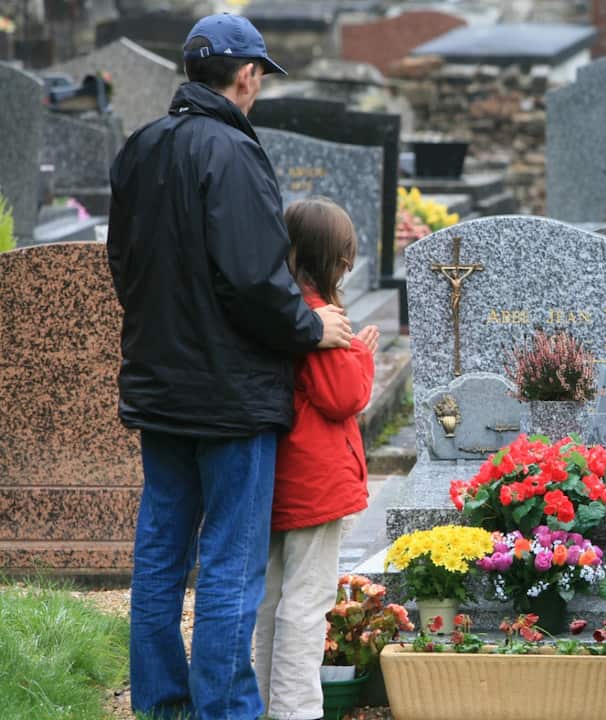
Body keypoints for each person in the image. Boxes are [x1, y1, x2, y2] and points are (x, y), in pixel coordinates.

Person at [106, 13, 352, 720]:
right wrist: (311, 326)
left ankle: (161, 704)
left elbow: (125, 266)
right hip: (232, 397)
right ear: (246, 75)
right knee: (229, 562)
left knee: (158, 555)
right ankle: (224, 709)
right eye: (260, 78)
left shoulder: (141, 147)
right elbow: (253, 280)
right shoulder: (234, 154)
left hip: (159, 388)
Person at [254, 197, 378, 719]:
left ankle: (259, 704)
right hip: (317, 484)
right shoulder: (319, 317)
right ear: (334, 261)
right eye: (346, 260)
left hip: (282, 478)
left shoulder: (278, 308)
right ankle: (298, 711)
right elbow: (343, 396)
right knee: (308, 605)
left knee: (269, 603)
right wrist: (362, 355)